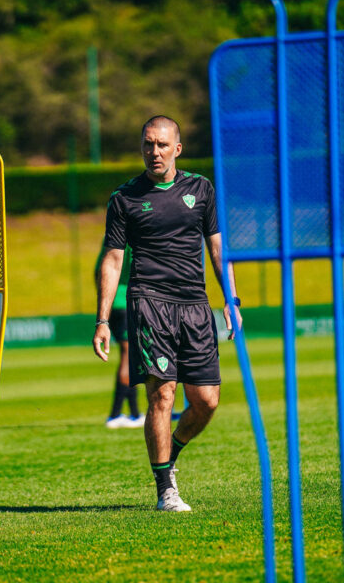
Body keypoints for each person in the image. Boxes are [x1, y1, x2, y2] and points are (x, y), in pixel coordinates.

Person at [93, 115, 240, 512]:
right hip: (149, 304)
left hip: (195, 306)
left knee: (207, 400)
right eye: (147, 144)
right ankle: (165, 490)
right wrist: (103, 320)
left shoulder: (201, 189)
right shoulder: (124, 198)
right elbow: (112, 260)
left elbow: (218, 248)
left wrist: (231, 299)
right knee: (162, 394)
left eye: (161, 145)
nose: (153, 152)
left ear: (177, 149)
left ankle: (170, 454)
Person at [95, 244, 144, 429]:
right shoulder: (136, 233)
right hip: (127, 301)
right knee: (128, 355)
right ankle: (115, 414)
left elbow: (98, 270)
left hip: (113, 303)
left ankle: (134, 413)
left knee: (130, 355)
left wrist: (103, 302)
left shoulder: (110, 235)